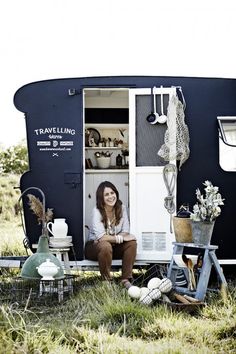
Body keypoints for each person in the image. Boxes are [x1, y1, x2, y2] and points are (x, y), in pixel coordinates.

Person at [85, 181, 137, 288]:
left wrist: (112, 239)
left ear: (116, 193)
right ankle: (106, 281)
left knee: (131, 243)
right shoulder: (97, 211)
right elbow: (100, 237)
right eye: (106, 194)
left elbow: (125, 230)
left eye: (112, 193)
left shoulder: (121, 208)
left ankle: (125, 279)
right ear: (101, 198)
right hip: (94, 247)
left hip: (112, 247)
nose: (110, 196)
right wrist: (118, 238)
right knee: (105, 245)